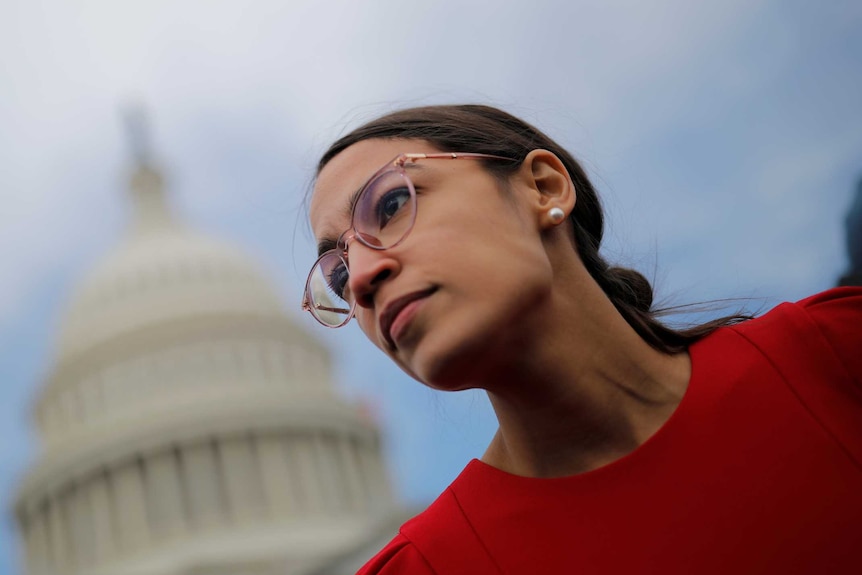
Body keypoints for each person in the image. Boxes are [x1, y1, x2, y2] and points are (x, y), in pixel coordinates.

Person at [302, 104, 862, 574]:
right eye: (340, 274)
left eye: (393, 204)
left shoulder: (834, 355)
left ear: (543, 186)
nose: (365, 277)